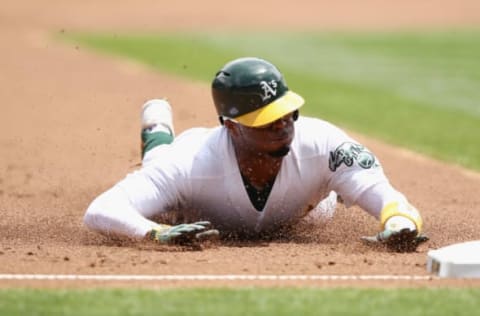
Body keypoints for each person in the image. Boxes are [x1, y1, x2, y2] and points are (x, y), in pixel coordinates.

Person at [84, 57, 427, 251]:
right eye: (265, 122)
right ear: (231, 126)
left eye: (286, 113)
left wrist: (399, 224)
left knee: (329, 189)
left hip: (303, 210)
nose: (282, 126)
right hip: (189, 197)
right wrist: (154, 234)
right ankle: (157, 128)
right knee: (160, 168)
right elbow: (101, 210)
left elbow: (390, 199)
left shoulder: (322, 144)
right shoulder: (192, 162)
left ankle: (333, 187)